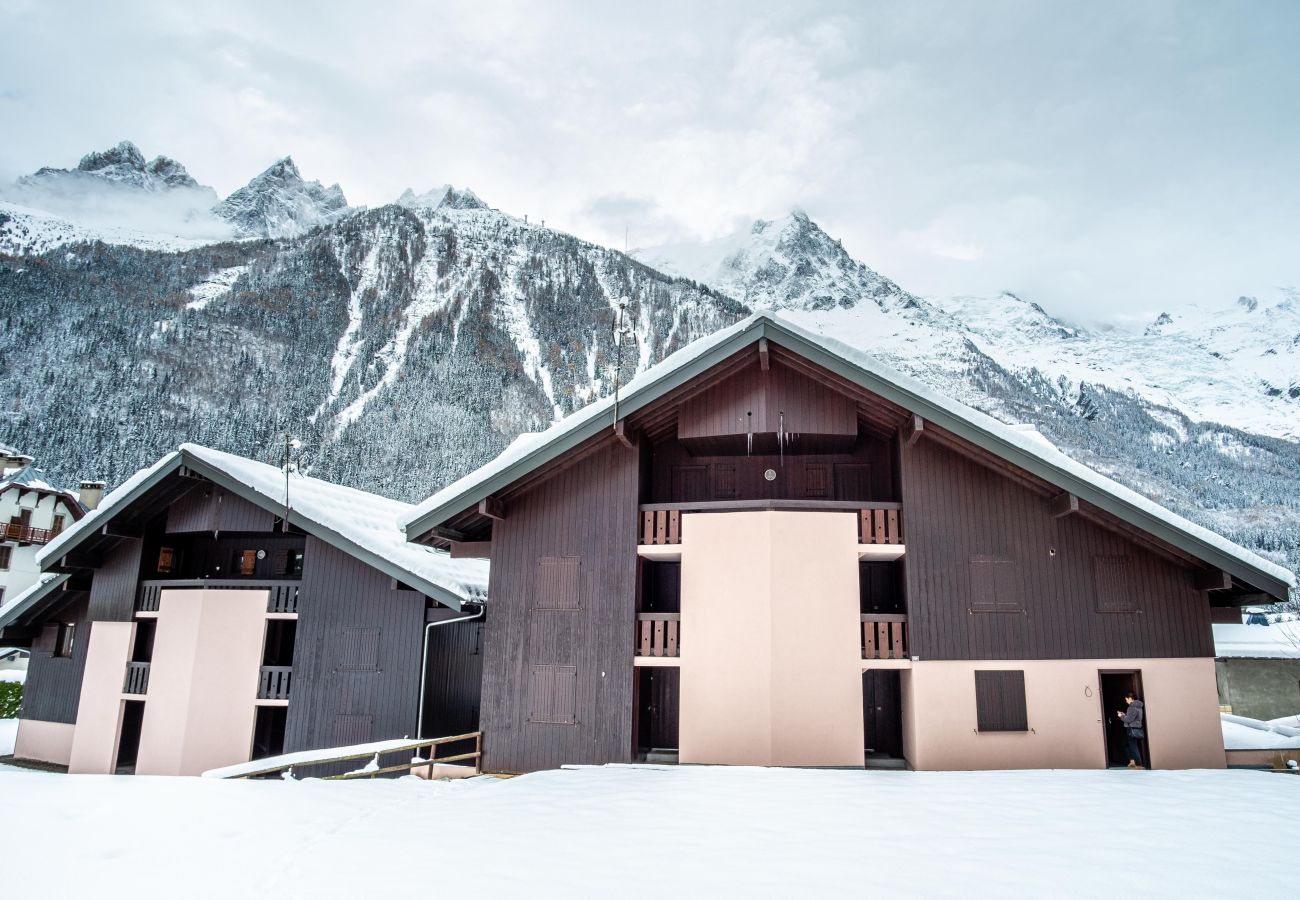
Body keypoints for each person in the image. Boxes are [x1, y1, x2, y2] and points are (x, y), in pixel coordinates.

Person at [1117, 691, 1145, 769]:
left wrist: (1121, 716)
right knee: (1127, 744)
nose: (1126, 701)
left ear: (1130, 698)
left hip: (1131, 728)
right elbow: (1132, 717)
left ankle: (1139, 764)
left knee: (1133, 746)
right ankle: (1132, 762)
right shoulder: (1138, 706)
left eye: (1126, 699)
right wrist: (1124, 715)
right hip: (1135, 727)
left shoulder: (1132, 707)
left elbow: (1128, 719)